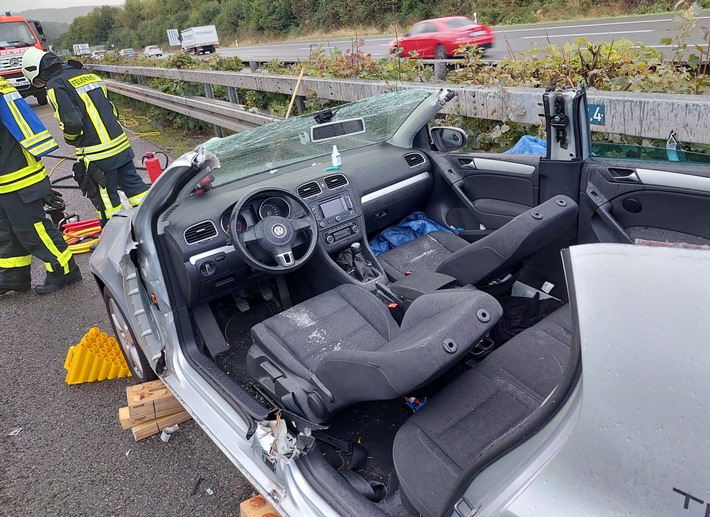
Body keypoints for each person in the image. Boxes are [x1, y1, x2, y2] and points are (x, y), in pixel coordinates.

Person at [21, 48, 149, 226]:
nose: (42, 83)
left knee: (106, 201)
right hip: (121, 145)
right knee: (135, 187)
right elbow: (112, 109)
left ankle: (115, 242)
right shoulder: (87, 75)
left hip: (97, 154)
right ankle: (150, 224)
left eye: (40, 80)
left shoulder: (56, 85)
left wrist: (70, 138)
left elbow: (72, 123)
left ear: (37, 71)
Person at [0, 77, 81, 295]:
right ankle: (13, 277)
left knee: (32, 230)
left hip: (16, 176)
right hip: (9, 174)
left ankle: (64, 270)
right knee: (7, 231)